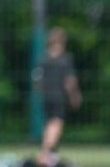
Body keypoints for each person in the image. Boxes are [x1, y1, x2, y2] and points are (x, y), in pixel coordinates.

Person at [34, 27, 82, 167]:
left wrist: (42, 91)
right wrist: (74, 95)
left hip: (45, 96)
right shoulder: (65, 59)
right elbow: (70, 81)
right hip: (58, 96)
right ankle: (45, 153)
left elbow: (37, 81)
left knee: (48, 125)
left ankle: (48, 154)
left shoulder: (43, 59)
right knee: (56, 124)